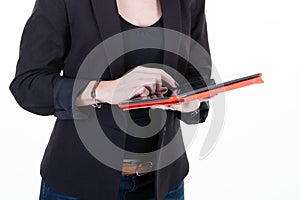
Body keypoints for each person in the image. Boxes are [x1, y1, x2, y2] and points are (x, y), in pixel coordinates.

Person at [9, 0, 213, 199]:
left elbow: (197, 75)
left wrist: (191, 104)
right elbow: (28, 85)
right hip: (79, 183)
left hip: (164, 184)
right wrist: (104, 90)